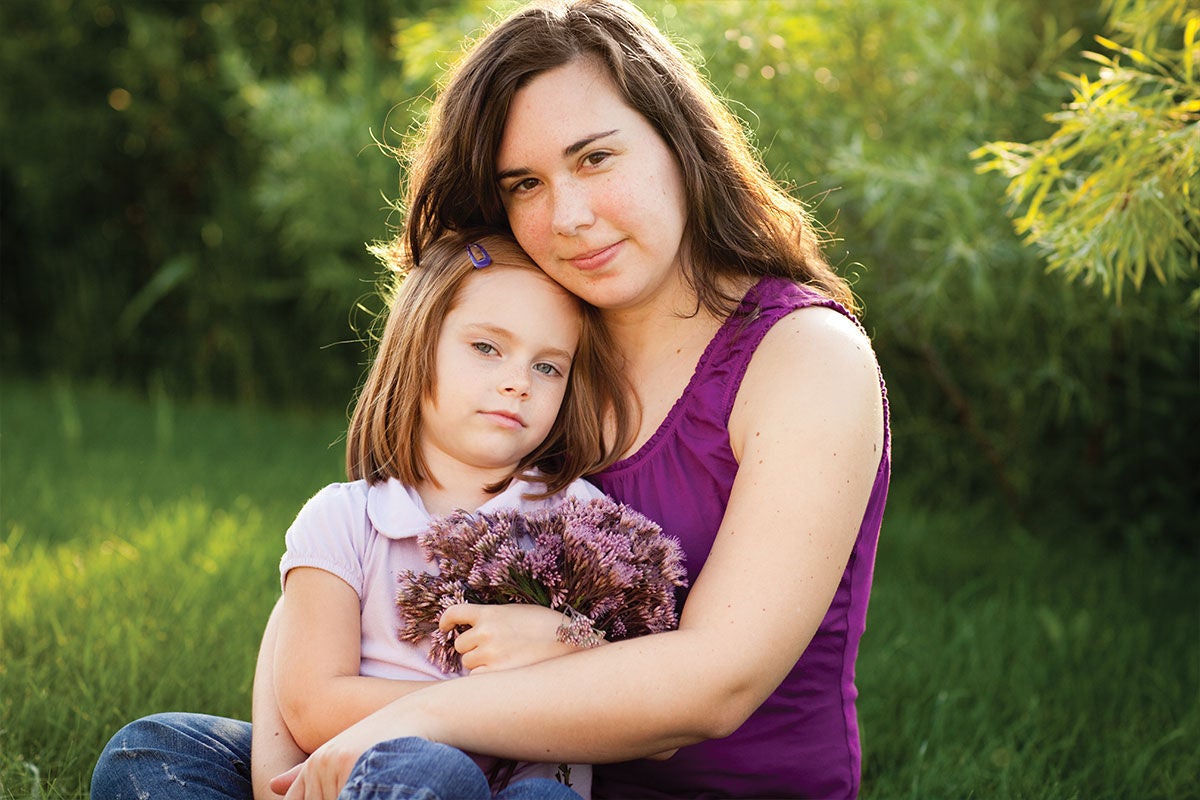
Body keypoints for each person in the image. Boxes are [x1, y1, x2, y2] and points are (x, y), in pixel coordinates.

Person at [92, 0, 890, 797]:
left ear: (678, 143)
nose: (569, 217)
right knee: (159, 756)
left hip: (624, 784)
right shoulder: (536, 333)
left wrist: (422, 721)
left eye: (596, 158)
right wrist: (284, 757)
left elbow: (718, 682)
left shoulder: (805, 358)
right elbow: (345, 565)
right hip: (460, 758)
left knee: (419, 770)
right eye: (525, 183)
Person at [91, 231, 635, 800]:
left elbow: (627, 679)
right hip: (352, 775)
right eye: (487, 348)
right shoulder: (345, 519)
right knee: (150, 749)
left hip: (516, 789)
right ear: (417, 346)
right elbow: (311, 706)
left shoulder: (578, 516)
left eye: (548, 367)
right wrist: (463, 723)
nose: (517, 382)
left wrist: (574, 641)